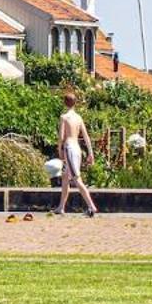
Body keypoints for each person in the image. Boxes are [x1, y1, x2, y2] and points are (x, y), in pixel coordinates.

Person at [55, 88, 98, 218]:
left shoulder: (64, 117)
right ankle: (61, 207)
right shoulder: (78, 118)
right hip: (77, 148)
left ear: (64, 103)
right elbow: (86, 136)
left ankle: (91, 206)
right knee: (65, 177)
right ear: (75, 103)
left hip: (69, 147)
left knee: (76, 178)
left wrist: (59, 150)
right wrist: (91, 153)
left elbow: (61, 136)